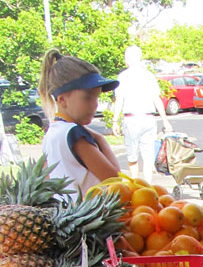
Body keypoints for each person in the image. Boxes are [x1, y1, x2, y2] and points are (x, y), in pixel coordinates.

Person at [39, 50, 121, 198]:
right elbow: (115, 180)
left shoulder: (51, 133)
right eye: (88, 97)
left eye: (97, 97)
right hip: (91, 217)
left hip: (67, 215)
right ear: (62, 100)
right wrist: (101, 139)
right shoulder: (75, 134)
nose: (95, 104)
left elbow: (47, 179)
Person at [112, 45, 172, 183]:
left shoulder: (123, 77)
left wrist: (115, 121)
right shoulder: (149, 75)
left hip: (131, 119)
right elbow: (156, 99)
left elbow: (119, 100)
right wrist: (164, 120)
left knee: (132, 156)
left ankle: (135, 185)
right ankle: (148, 185)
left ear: (127, 59)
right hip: (148, 118)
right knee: (148, 156)